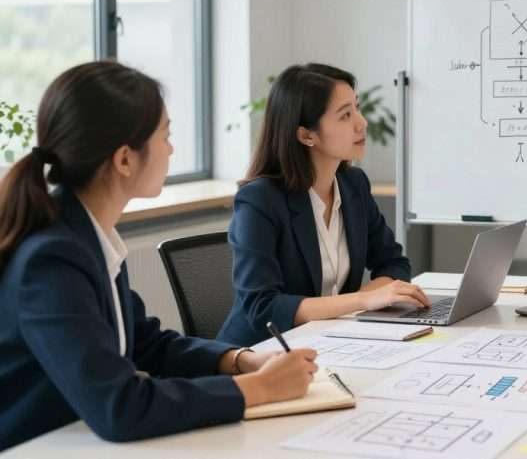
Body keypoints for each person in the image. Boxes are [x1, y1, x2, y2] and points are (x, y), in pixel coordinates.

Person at [0, 61, 317, 451]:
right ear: (125, 160)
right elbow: (120, 407)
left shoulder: (86, 234)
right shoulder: (51, 260)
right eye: (165, 136)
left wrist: (238, 360)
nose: (172, 149)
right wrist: (258, 389)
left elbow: (146, 342)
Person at [217, 63, 429, 347]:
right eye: (345, 115)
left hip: (330, 342)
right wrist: (363, 299)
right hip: (261, 354)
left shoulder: (354, 185)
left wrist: (373, 301)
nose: (361, 122)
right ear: (306, 135)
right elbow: (263, 307)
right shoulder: (260, 200)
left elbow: (393, 262)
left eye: (357, 108)